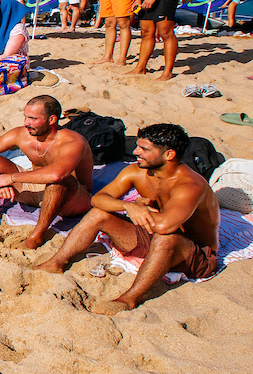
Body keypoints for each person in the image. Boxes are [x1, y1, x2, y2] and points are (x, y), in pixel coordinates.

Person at [34, 124, 220, 315]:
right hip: (152, 236)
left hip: (194, 254)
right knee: (99, 214)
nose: (135, 151)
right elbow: (98, 199)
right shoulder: (137, 172)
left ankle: (129, 299)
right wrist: (128, 206)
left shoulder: (189, 184)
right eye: (138, 146)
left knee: (167, 238)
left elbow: (166, 226)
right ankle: (56, 262)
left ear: (169, 155)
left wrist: (140, 209)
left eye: (144, 149)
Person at [0, 95, 94, 250]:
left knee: (58, 181)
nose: (26, 123)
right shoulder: (22, 134)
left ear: (52, 120)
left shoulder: (72, 141)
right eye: (25, 117)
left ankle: (36, 237)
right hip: (34, 189)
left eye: (33, 119)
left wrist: (10, 178)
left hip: (72, 198)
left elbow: (58, 174)